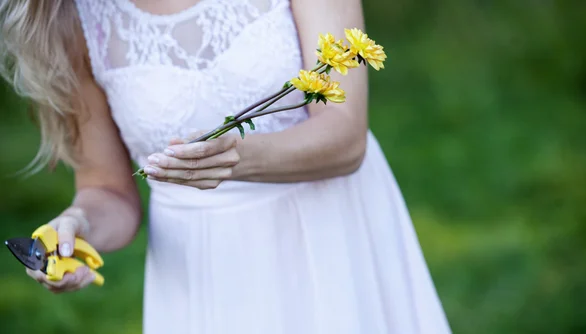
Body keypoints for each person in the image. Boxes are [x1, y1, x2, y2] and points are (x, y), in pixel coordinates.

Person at [0, 0, 451, 333]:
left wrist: (238, 158)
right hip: (208, 273)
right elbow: (108, 190)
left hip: (331, 239)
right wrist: (78, 225)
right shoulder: (73, 18)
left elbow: (345, 134)